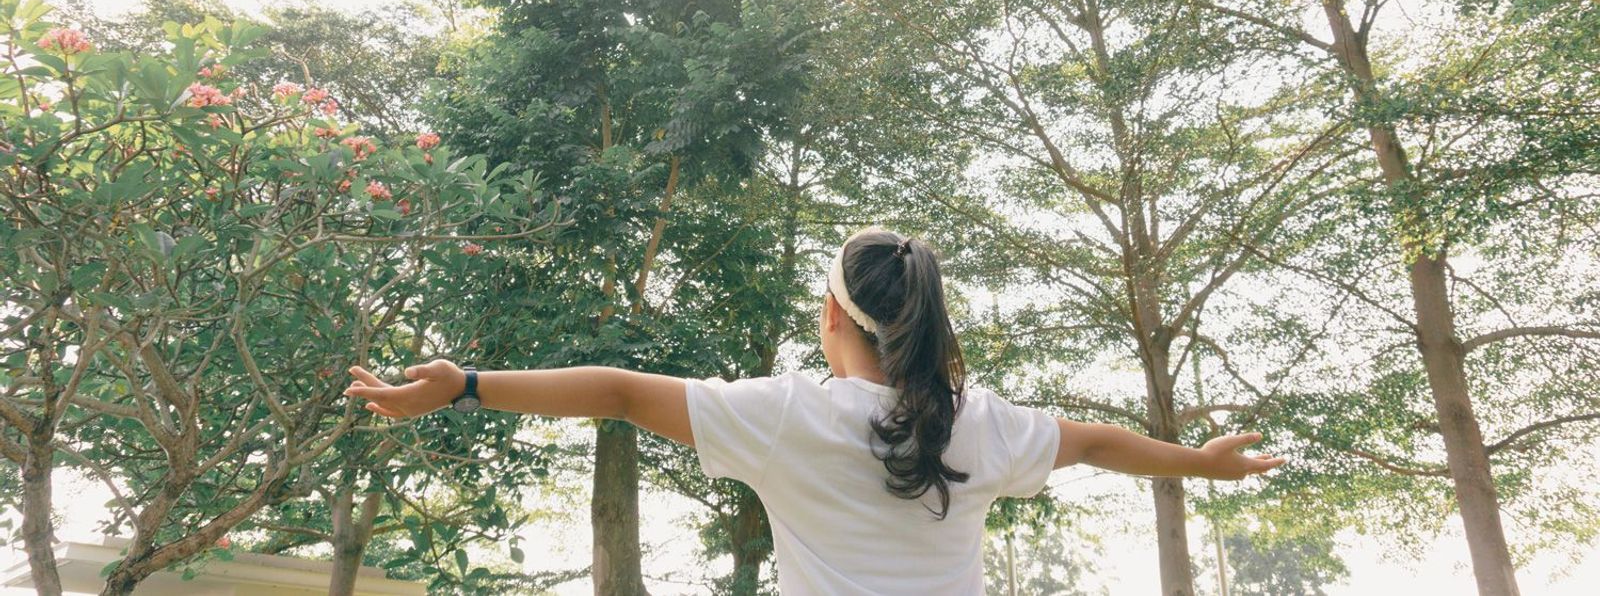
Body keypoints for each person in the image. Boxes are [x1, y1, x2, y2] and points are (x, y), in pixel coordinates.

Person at [345, 225, 1285, 594]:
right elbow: (1100, 444)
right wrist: (1200, 462)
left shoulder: (790, 414)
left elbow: (620, 392)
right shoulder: (983, 421)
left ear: (832, 311)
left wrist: (466, 385)